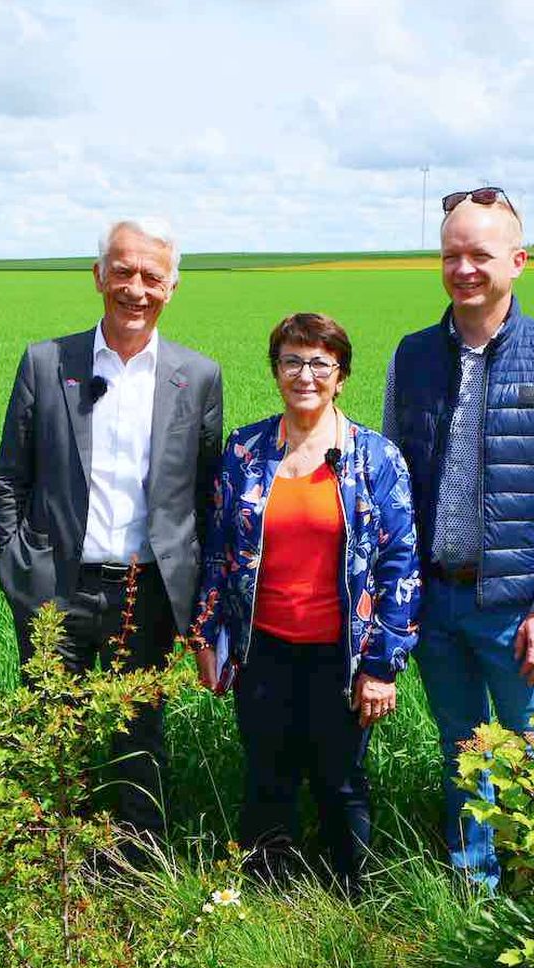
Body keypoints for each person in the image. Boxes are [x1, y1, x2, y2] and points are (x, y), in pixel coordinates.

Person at [383, 187, 534, 890]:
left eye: (480, 253)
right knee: (463, 754)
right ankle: (477, 895)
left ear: (518, 260)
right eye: (451, 253)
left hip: (513, 608)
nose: (464, 267)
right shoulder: (411, 356)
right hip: (436, 602)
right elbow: (392, 483)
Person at [0, 217, 223, 842]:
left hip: (144, 592)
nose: (135, 288)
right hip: (54, 587)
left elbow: (205, 494)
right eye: (122, 271)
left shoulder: (196, 376)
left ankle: (137, 874)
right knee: (48, 733)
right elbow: (11, 476)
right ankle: (43, 870)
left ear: (171, 287)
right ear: (98, 275)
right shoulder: (47, 362)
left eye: (152, 275)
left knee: (139, 736)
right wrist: (18, 565)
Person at [195, 312, 420, 891]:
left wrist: (381, 667)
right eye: (292, 361)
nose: (305, 375)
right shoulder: (245, 450)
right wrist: (205, 635)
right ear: (276, 371)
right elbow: (217, 550)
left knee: (340, 780)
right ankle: (269, 896)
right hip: (262, 648)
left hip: (341, 655)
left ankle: (351, 900)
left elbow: (400, 567)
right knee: (268, 775)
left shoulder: (375, 458)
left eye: (320, 363)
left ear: (341, 375)